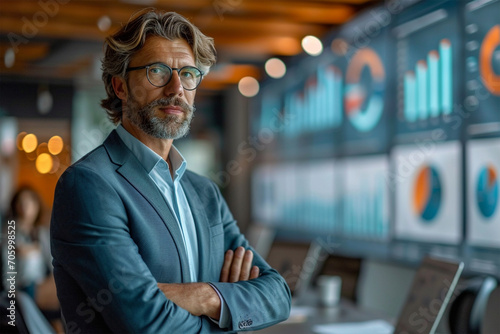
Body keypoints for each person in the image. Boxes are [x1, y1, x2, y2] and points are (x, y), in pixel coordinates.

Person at [50, 9, 291, 333]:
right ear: (119, 86)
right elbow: (142, 320)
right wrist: (230, 306)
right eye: (157, 71)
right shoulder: (88, 184)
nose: (176, 87)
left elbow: (278, 295)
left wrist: (207, 296)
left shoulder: (205, 193)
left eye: (188, 73)